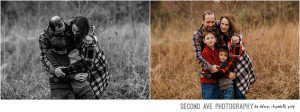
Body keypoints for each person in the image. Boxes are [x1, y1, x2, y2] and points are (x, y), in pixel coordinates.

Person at [218, 14, 256, 99]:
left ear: (230, 25)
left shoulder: (234, 38)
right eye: (222, 24)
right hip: (231, 66)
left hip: (241, 65)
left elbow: (235, 58)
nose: (223, 26)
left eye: (226, 24)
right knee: (234, 91)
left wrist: (226, 72)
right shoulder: (222, 35)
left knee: (239, 93)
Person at [39, 16, 75, 99]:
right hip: (56, 57)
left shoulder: (69, 23)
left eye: (63, 30)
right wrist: (54, 70)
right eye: (59, 32)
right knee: (60, 75)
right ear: (52, 30)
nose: (62, 33)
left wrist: (90, 37)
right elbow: (44, 56)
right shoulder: (44, 37)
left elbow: (87, 26)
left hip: (72, 53)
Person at [199, 31, 221, 99]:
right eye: (208, 38)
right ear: (204, 41)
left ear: (215, 39)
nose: (210, 40)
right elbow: (214, 69)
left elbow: (219, 65)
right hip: (207, 83)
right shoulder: (205, 52)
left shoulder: (217, 50)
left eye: (212, 38)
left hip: (216, 81)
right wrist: (223, 69)